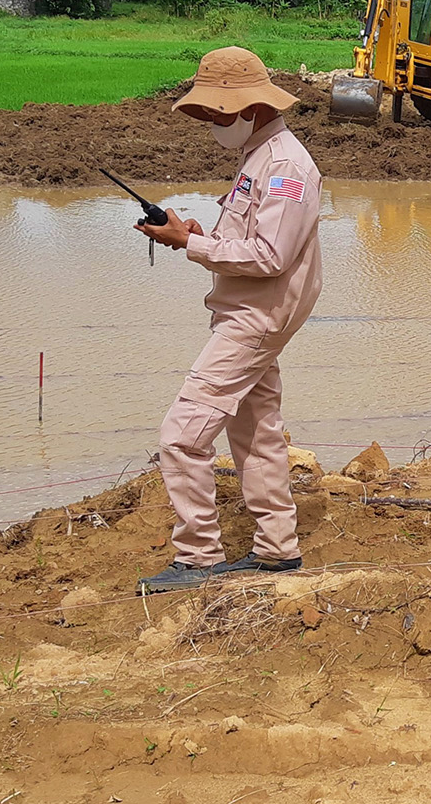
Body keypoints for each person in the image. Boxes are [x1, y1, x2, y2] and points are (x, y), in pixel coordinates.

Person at [134, 47, 323, 594]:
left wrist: (190, 245)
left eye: (220, 113)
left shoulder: (285, 166)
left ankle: (197, 557)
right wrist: (197, 234)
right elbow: (249, 238)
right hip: (249, 312)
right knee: (254, 428)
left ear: (254, 108)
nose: (214, 123)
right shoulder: (257, 155)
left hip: (256, 318)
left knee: (182, 436)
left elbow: (271, 256)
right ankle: (276, 549)